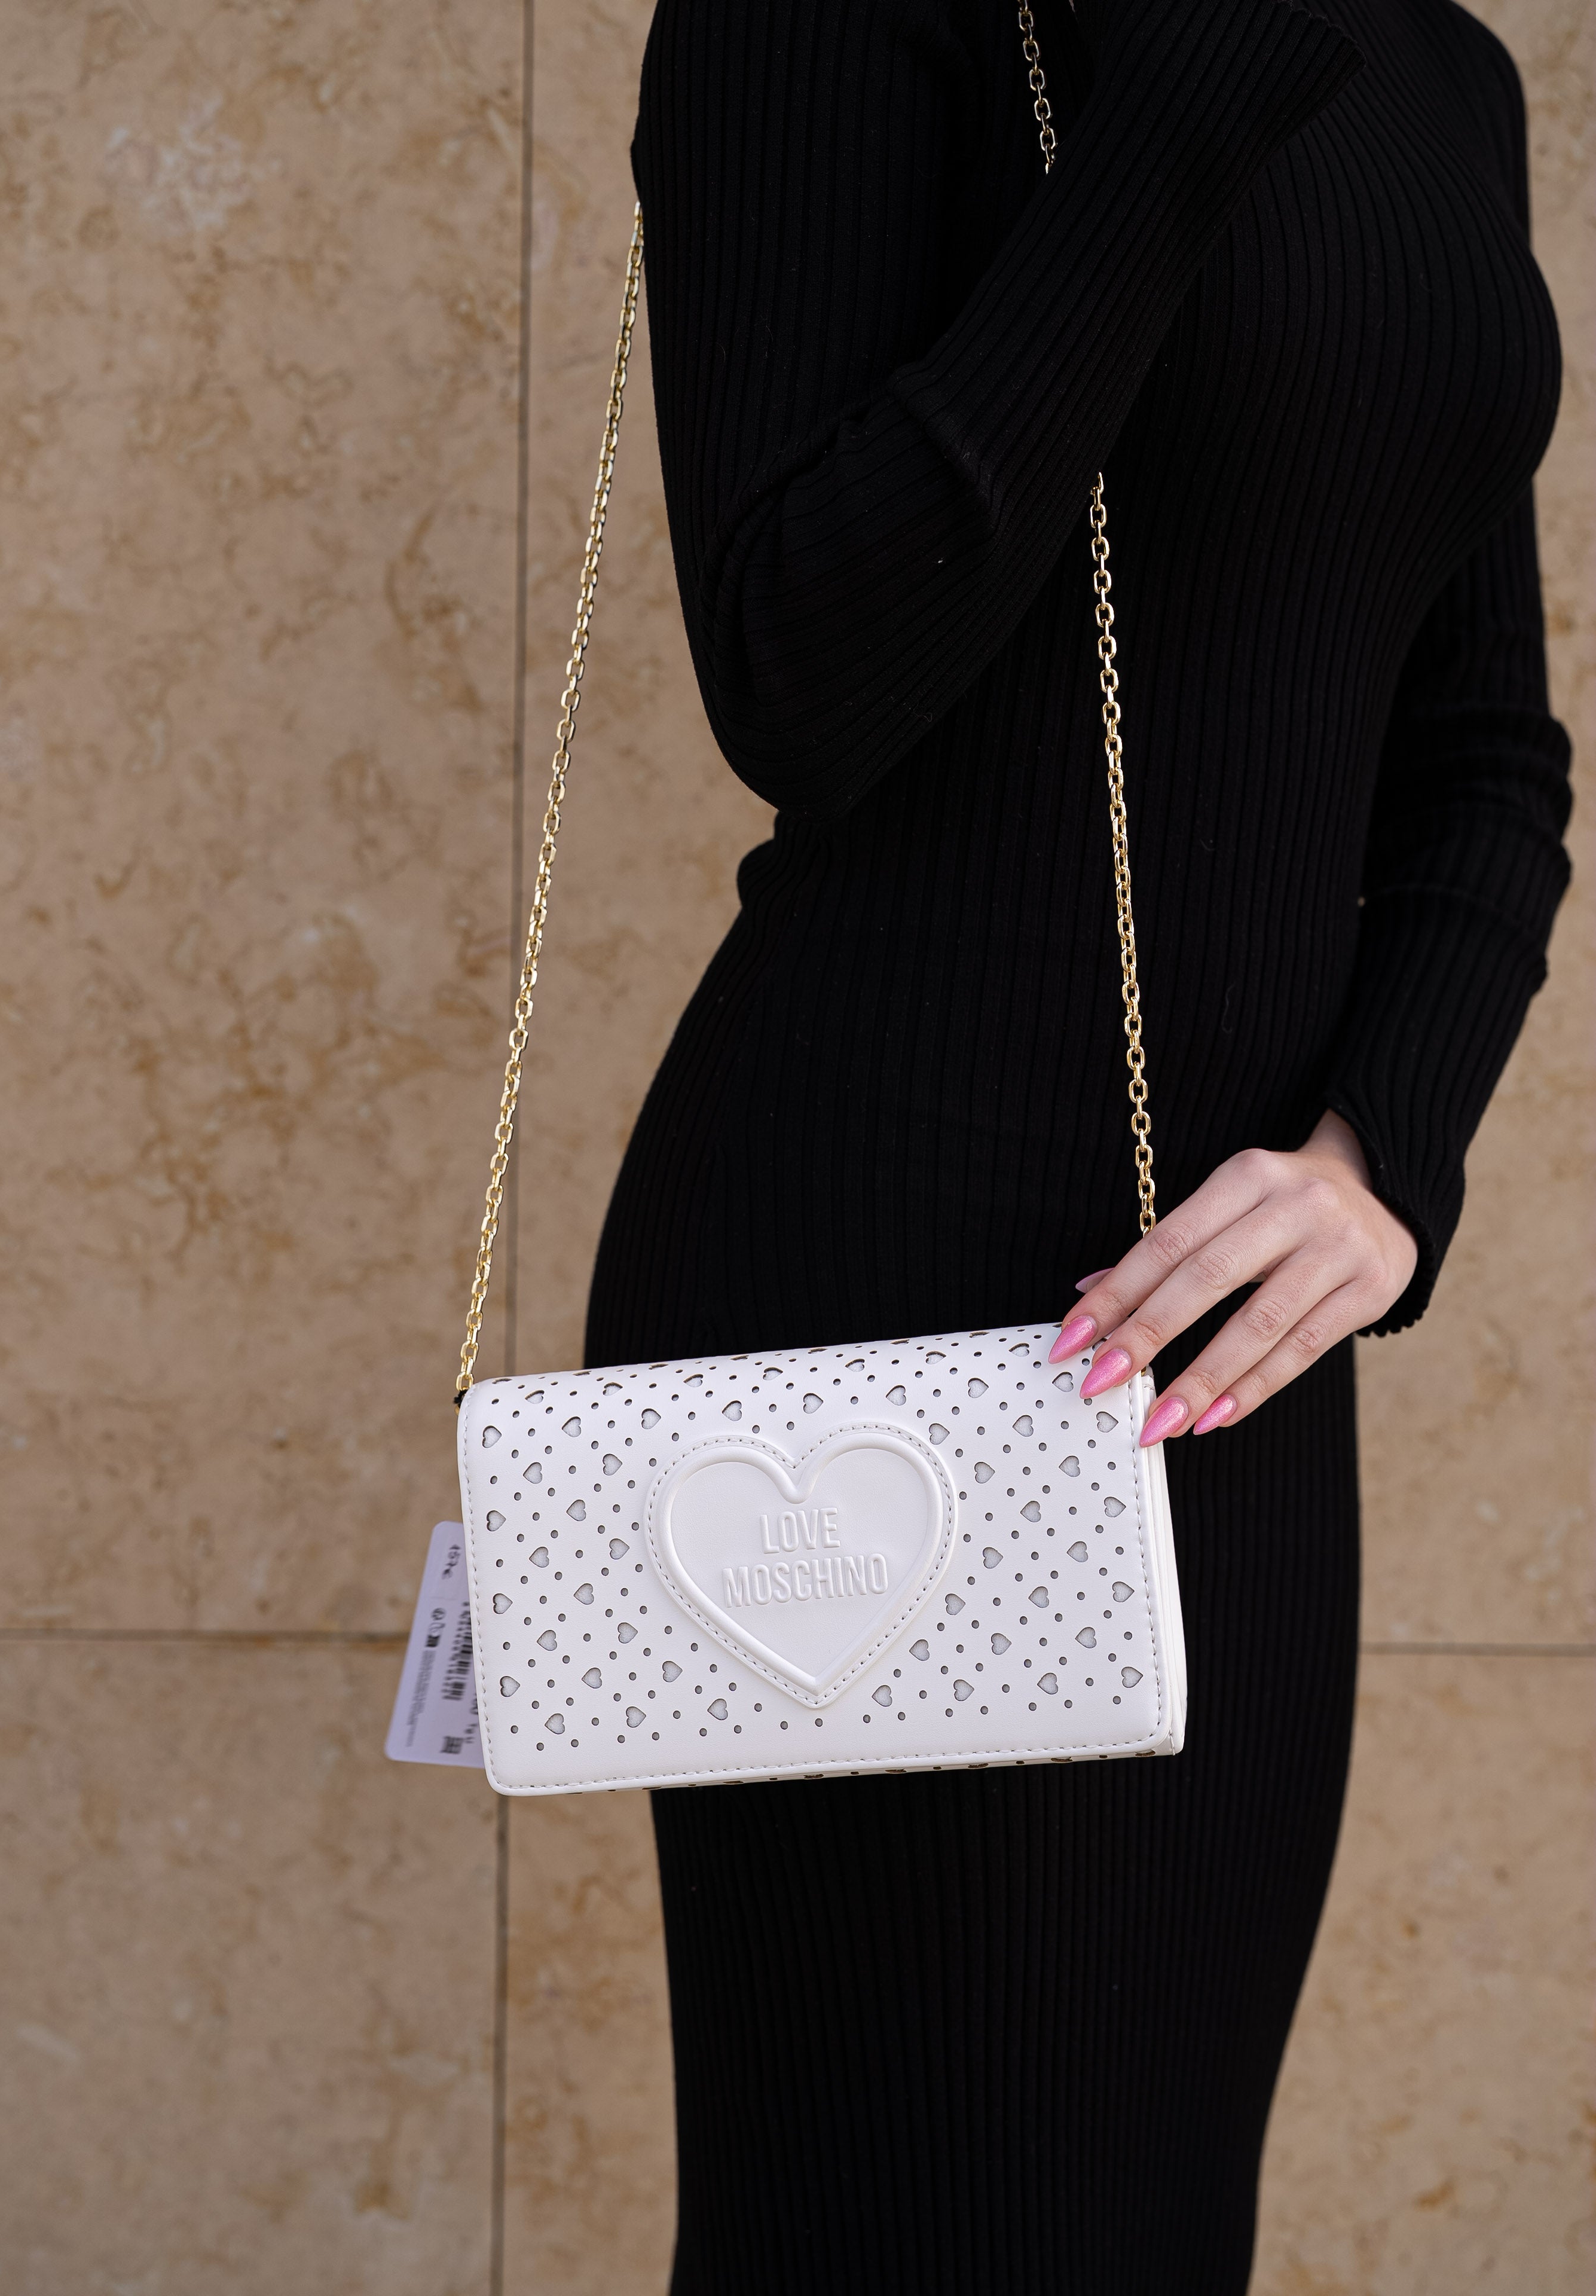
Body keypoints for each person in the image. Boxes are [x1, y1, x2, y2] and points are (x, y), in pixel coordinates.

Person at [583, 0, 1570, 2285]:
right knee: (886, 2222)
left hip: (1221, 1356)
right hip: (877, 1292)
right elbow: (799, 675)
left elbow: (1483, 750)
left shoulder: (1437, 67)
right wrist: (1173, 123)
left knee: (1142, 2219)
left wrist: (1379, 1164)